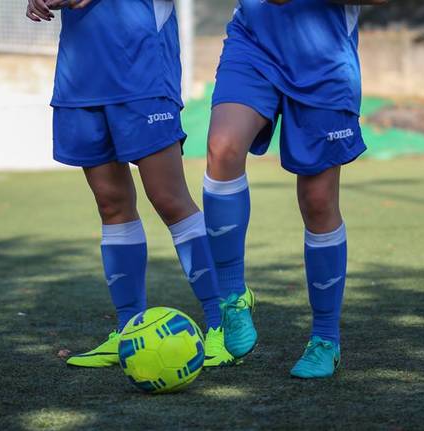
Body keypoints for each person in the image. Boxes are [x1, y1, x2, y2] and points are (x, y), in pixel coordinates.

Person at [26, 0, 255, 368]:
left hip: (141, 66)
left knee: (168, 198)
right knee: (111, 204)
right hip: (80, 72)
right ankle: (127, 329)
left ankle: (219, 326)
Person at [203, 0, 388, 378]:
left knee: (317, 201)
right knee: (222, 148)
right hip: (252, 43)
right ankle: (233, 298)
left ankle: (325, 337)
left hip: (323, 57)